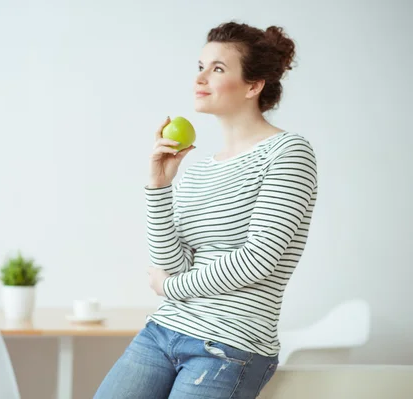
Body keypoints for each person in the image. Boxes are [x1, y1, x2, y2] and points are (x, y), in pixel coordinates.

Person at [94, 21, 318, 399]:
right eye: (200, 66)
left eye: (217, 69)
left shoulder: (288, 153)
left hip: (229, 346)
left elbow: (258, 259)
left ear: (253, 85)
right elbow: (171, 261)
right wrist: (159, 185)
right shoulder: (200, 169)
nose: (201, 78)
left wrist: (171, 288)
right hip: (163, 331)